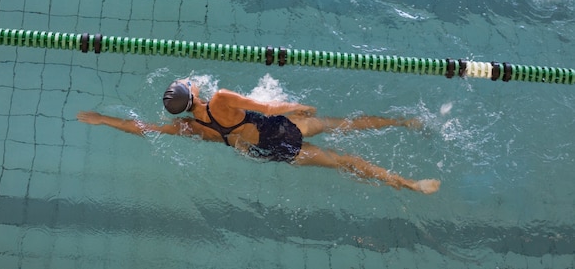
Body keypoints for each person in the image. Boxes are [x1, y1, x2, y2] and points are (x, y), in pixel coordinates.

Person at [77, 79, 441, 194]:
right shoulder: (220, 100)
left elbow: (143, 129)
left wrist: (102, 119)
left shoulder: (187, 128)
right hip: (278, 128)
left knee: (342, 163)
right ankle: (403, 124)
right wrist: (297, 106)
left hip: (264, 150)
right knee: (343, 124)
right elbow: (266, 107)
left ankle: (410, 185)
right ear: (194, 94)